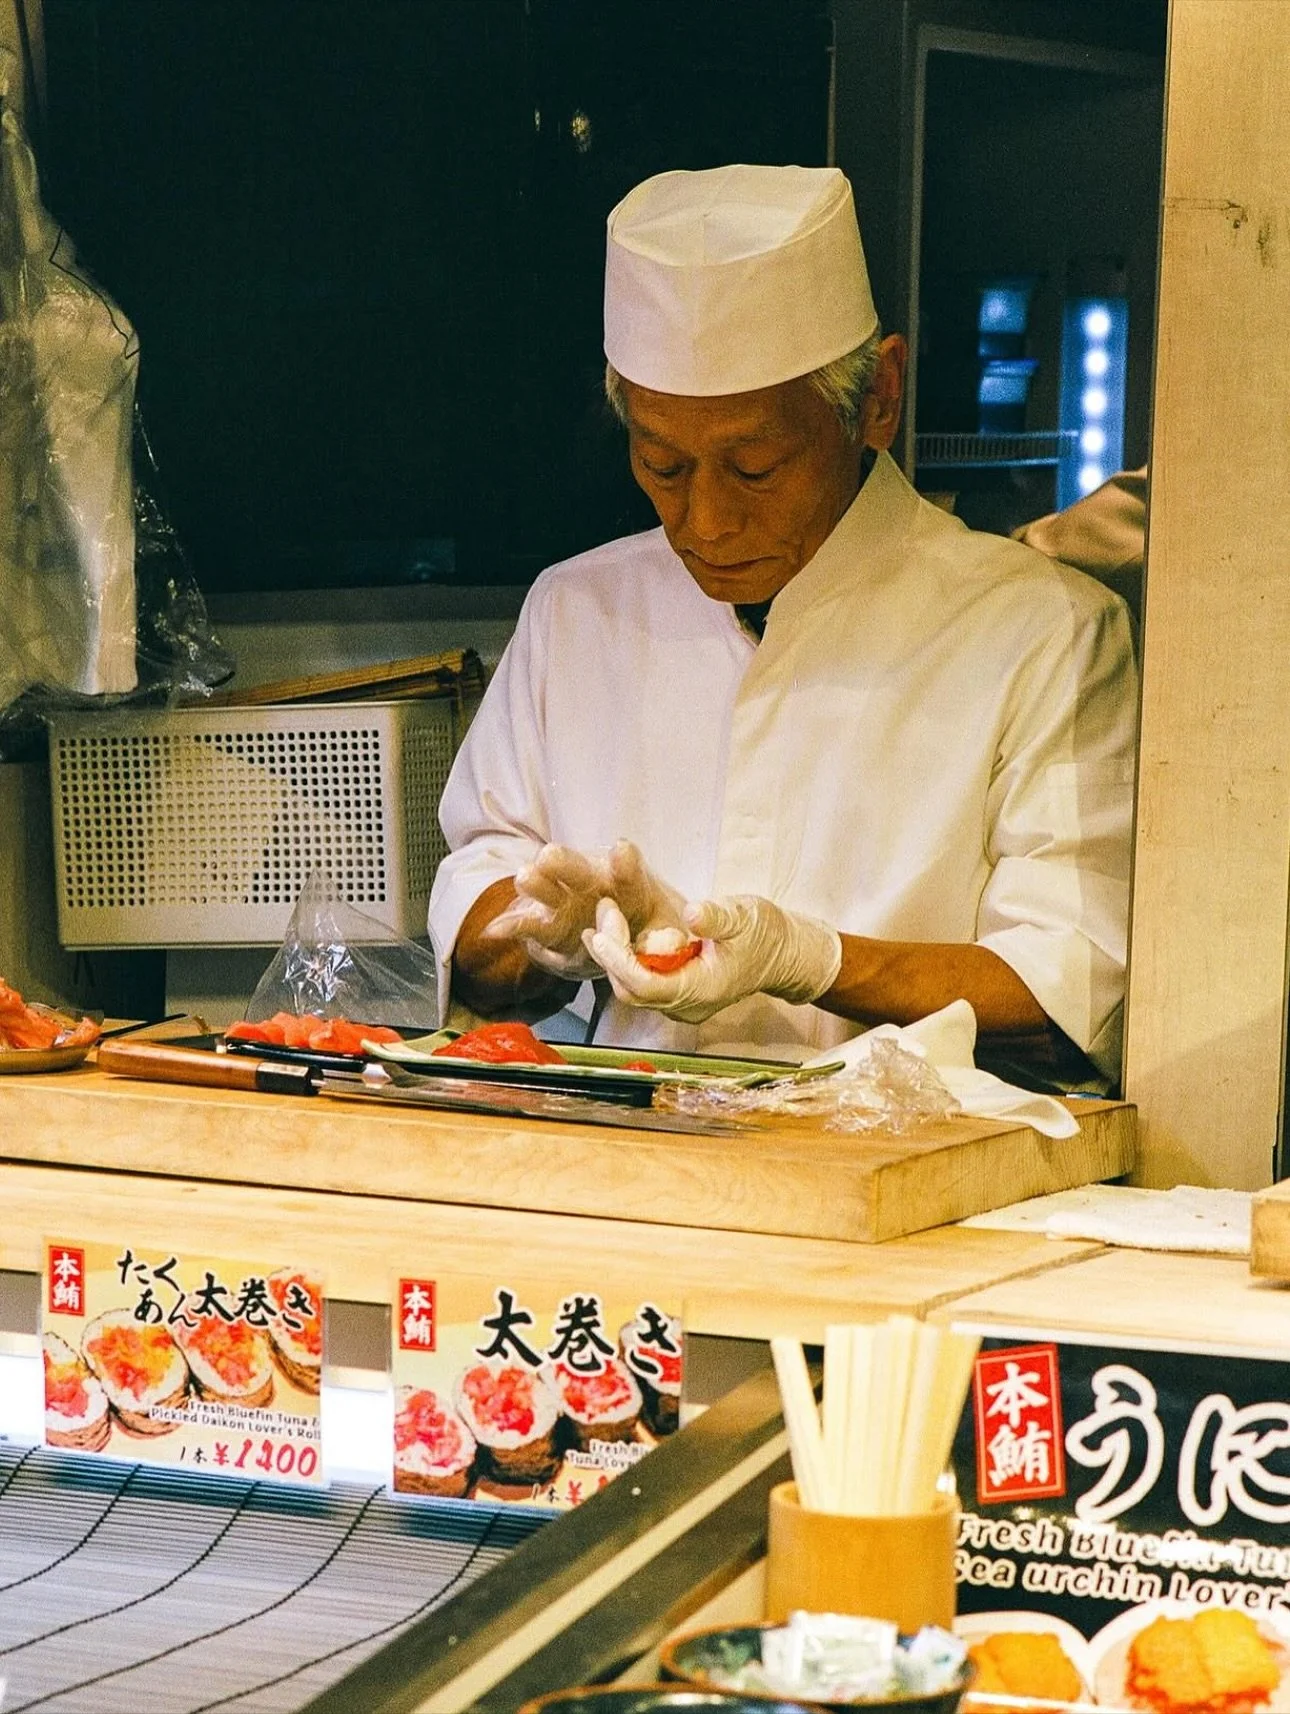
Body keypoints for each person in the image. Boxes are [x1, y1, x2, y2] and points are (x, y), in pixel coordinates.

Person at [428, 164, 1138, 1087]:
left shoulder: (1043, 631)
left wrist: (814, 962)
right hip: (620, 1163)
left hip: (909, 1185)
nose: (706, 522)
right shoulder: (578, 611)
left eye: (756, 467)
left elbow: (1065, 999)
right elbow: (478, 917)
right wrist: (549, 937)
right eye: (664, 465)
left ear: (878, 397)